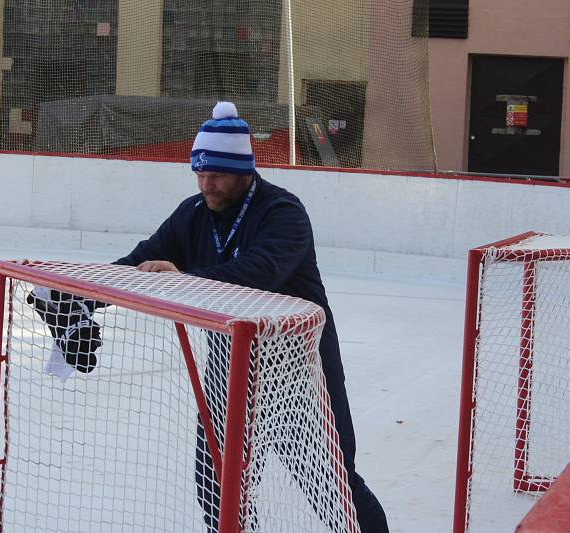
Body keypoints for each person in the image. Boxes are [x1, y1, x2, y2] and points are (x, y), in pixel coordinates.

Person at [111, 101, 389, 532]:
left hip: (300, 371)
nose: (208, 184)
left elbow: (259, 273)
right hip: (233, 368)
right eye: (200, 174)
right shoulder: (194, 213)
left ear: (244, 171)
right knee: (217, 482)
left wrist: (183, 278)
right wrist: (75, 295)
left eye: (218, 175)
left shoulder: (283, 212)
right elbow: (140, 261)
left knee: (332, 483)